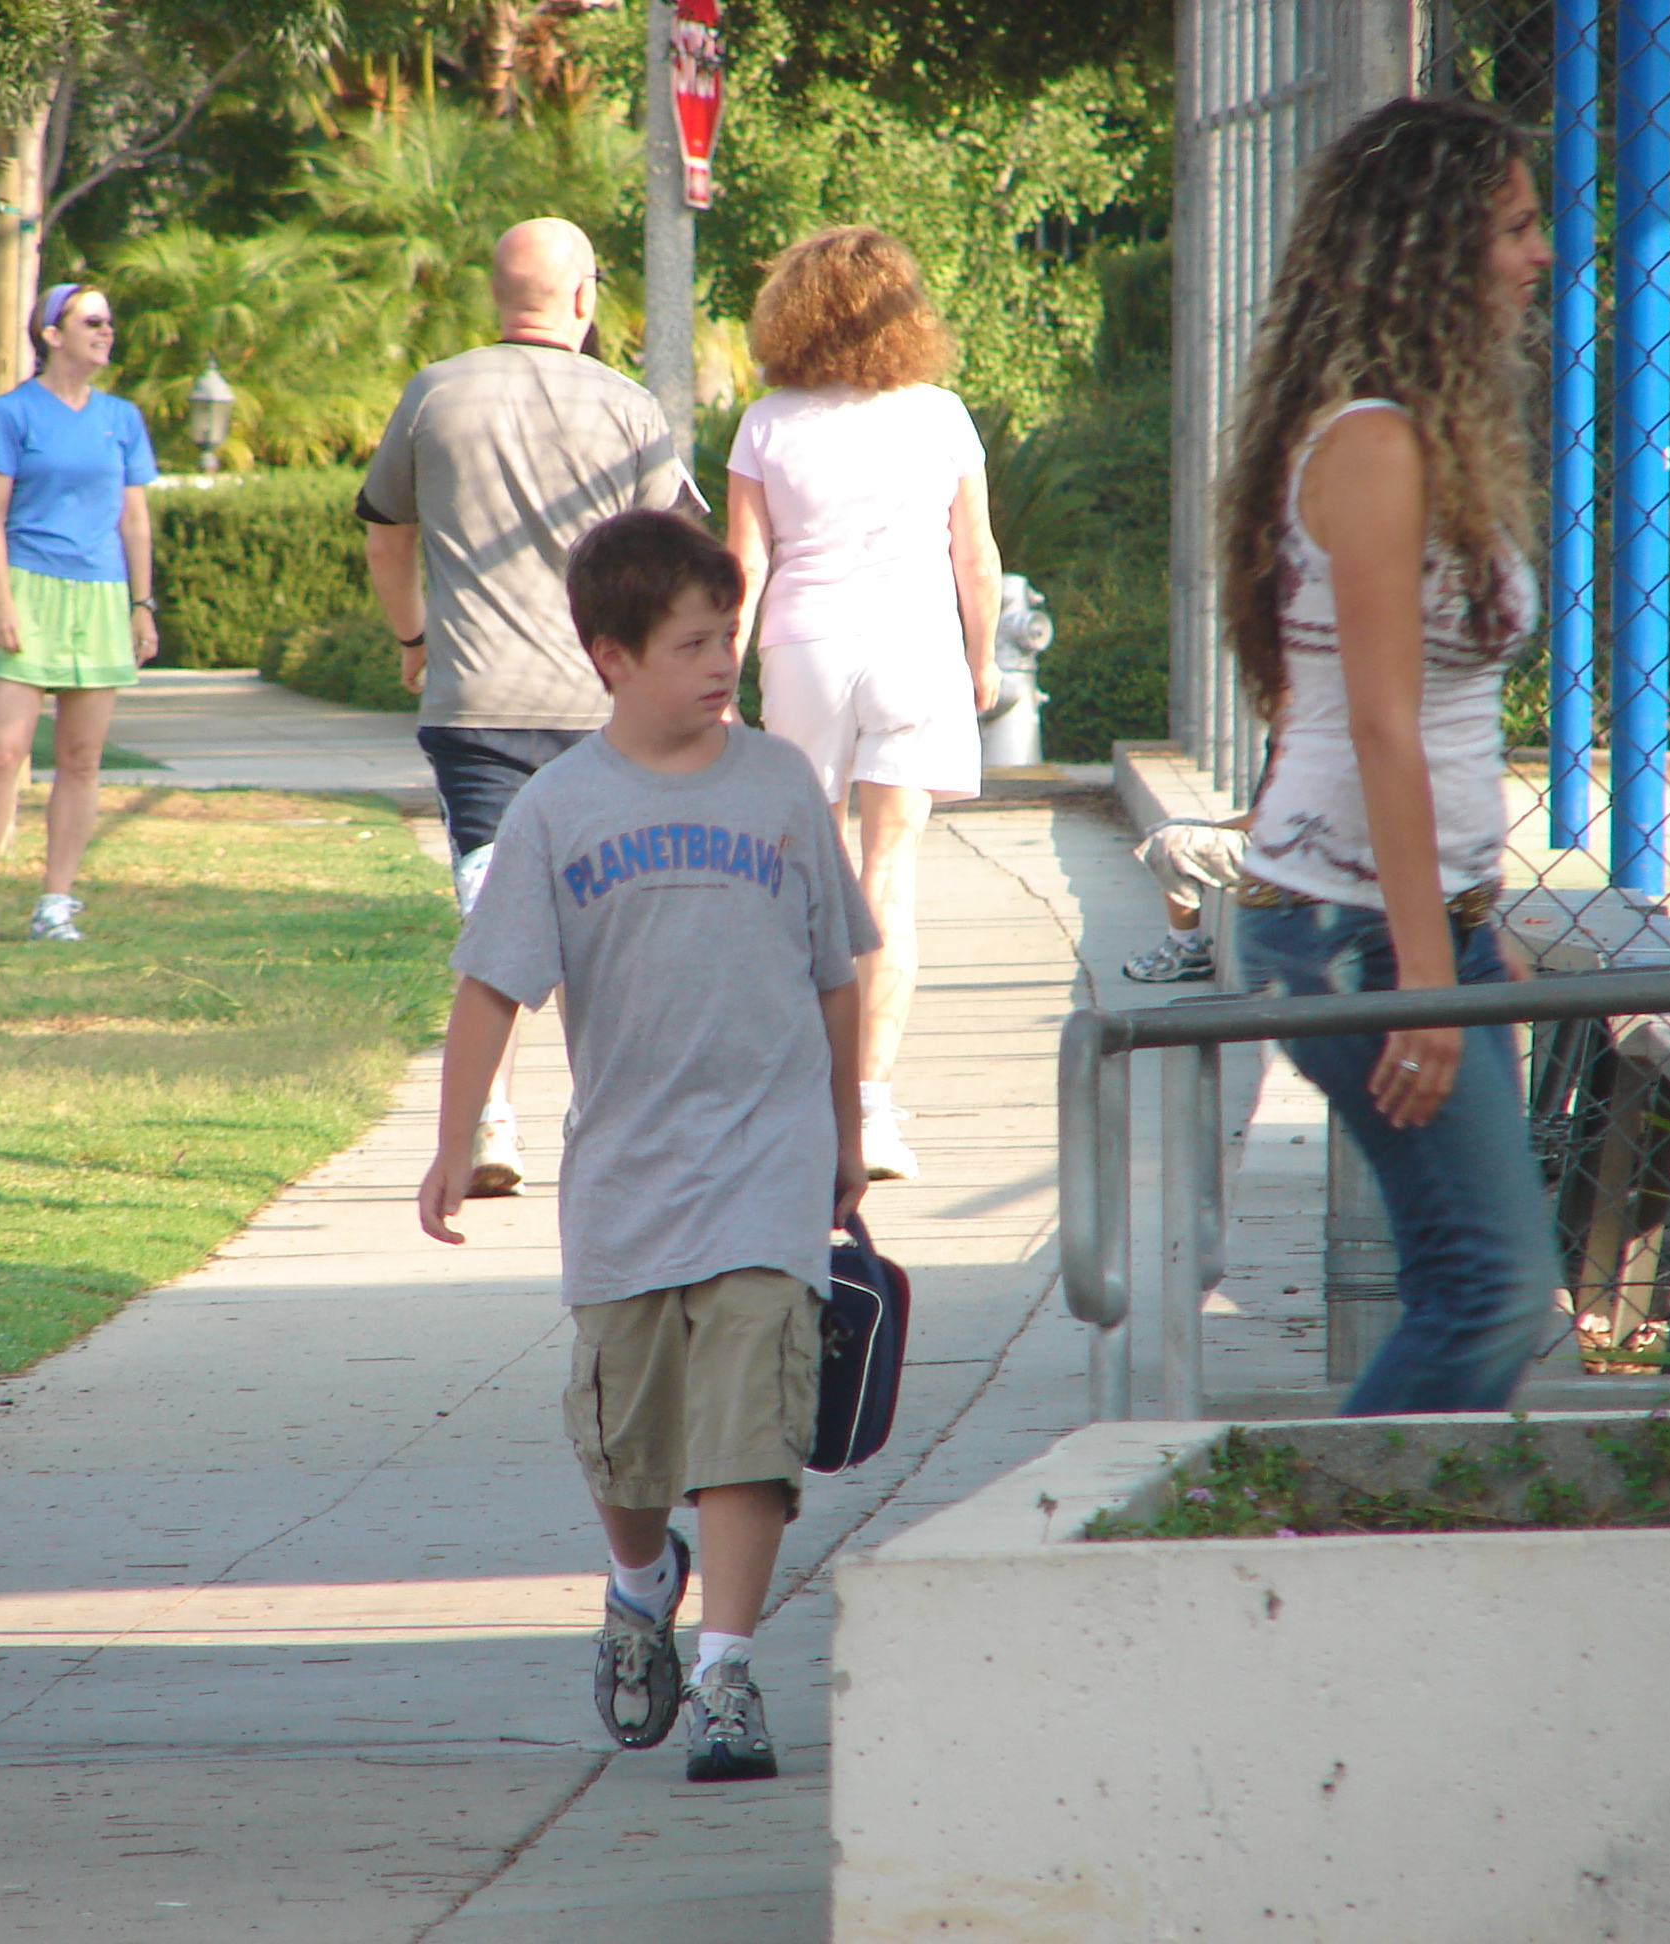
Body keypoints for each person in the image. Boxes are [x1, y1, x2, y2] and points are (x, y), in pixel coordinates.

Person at [417, 510, 876, 1784]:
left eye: (728, 635)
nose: (723, 662)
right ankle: (639, 1579)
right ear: (612, 657)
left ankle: (727, 1671)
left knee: (750, 1425)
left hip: (770, 1163)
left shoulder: (780, 784)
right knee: (626, 1446)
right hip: (627, 1177)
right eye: (691, 644)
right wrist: (454, 1141)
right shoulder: (560, 809)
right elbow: (490, 990)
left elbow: (837, 974)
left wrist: (847, 1130)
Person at [1222, 96, 1561, 1415]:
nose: (1540, 254)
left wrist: (1469, 920)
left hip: (1407, 918)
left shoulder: (1411, 435)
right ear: (1433, 247)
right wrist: (1426, 971)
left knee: (1468, 1284)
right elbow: (1378, 723)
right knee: (1491, 1291)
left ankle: (1396, 1522)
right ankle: (1315, 1533)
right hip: (1353, 926)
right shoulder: (1373, 443)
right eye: (1515, 228)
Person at [362, 217, 690, 1197]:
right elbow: (675, 560)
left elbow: (385, 534)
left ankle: (489, 1124)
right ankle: (618, 1124)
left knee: (493, 915)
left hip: (476, 710)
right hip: (605, 713)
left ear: (497, 297)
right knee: (612, 922)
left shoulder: (434, 394)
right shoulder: (630, 407)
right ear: (584, 298)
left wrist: (414, 638)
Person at [723, 227, 1000, 1183]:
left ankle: (813, 1095)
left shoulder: (766, 423)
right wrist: (982, 658)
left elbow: (746, 564)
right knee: (891, 877)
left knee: (813, 876)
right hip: (915, 646)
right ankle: (872, 1111)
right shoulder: (941, 415)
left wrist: (723, 678)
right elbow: (975, 557)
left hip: (804, 648)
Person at [0, 282, 159, 947]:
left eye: (109, 320)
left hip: (101, 594)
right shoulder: (12, 413)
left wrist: (141, 605)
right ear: (52, 335)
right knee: (1, 754)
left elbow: (135, 521)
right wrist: (2, 602)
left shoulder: (123, 419)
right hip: (28, 589)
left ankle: (55, 903)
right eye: (92, 320)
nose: (106, 330)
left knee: (82, 758)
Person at [1122, 811, 1254, 984]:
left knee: (1169, 842)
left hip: (1276, 852)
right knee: (1170, 827)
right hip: (1275, 843)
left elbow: (1266, 818)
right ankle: (1184, 942)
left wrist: (1220, 827)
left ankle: (1186, 946)